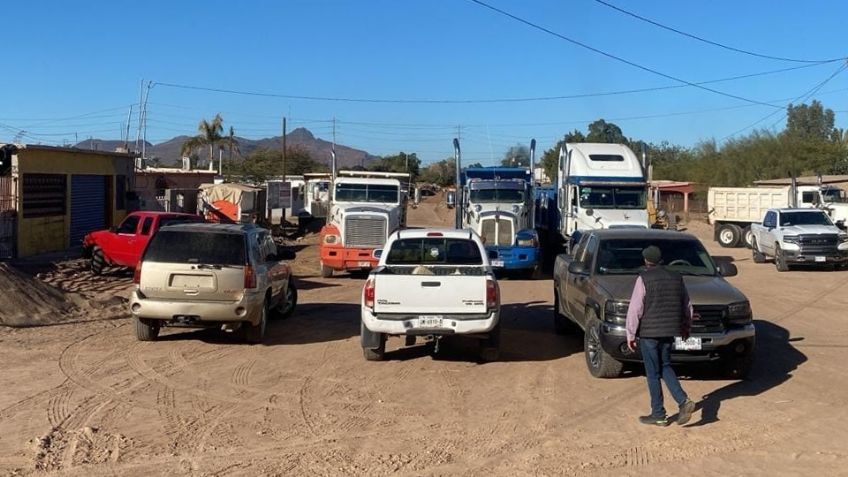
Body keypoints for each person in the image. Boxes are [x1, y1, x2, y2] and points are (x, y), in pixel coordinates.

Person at [625, 245, 696, 427]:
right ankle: (683, 401)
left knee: (653, 374)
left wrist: (630, 334)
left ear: (646, 261)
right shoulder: (676, 277)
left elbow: (635, 309)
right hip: (670, 330)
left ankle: (658, 413)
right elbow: (687, 305)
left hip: (650, 333)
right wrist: (686, 327)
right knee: (665, 366)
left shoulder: (644, 278)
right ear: (660, 259)